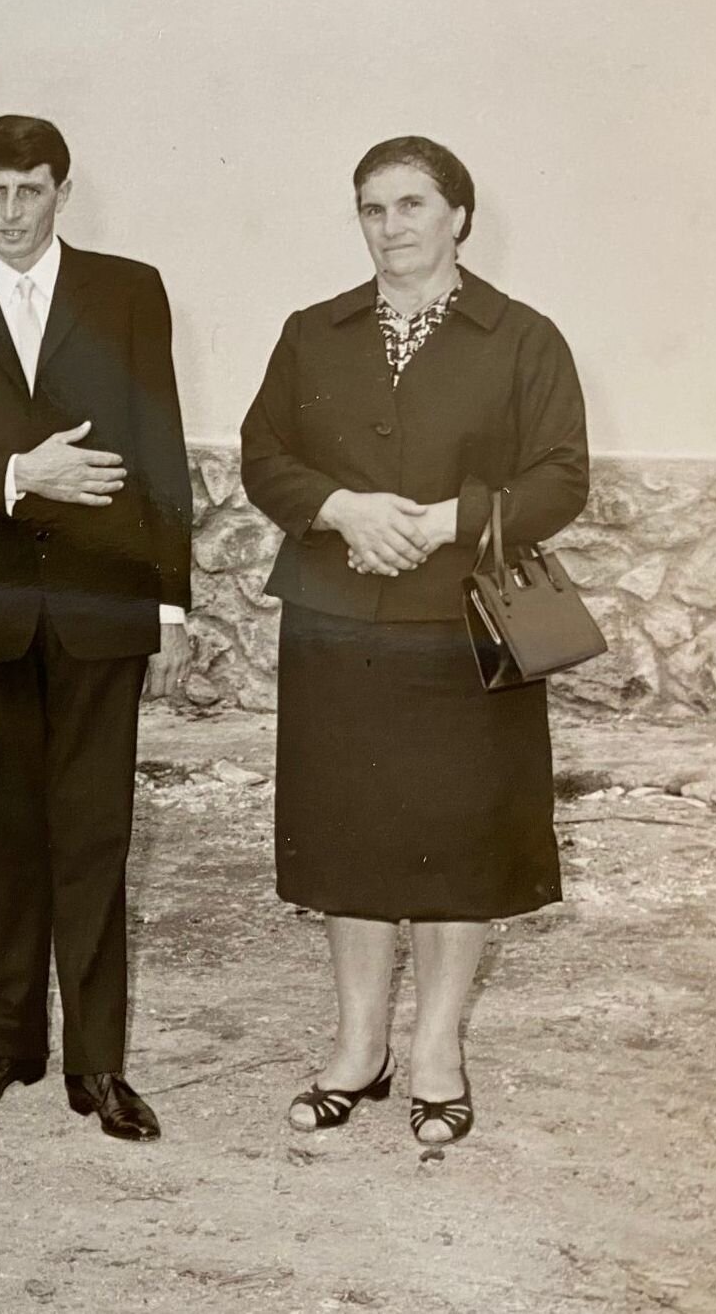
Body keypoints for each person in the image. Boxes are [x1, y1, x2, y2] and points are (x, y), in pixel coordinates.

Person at [240, 136, 589, 1145]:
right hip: (337, 624)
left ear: (459, 217)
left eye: (411, 205)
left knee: (456, 846)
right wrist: (342, 505)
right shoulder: (314, 332)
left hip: (466, 631)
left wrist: (445, 521)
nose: (391, 227)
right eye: (371, 209)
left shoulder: (523, 338)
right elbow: (265, 457)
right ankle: (359, 1047)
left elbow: (563, 477)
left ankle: (437, 1048)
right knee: (350, 837)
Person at [0, 115, 192, 1143]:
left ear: (62, 189)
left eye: (32, 191)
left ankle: (96, 1061)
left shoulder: (127, 290)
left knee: (97, 829)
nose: (13, 213)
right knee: (9, 831)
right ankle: (8, 1038)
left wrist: (171, 600)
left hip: (107, 602)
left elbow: (159, 449)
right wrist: (21, 475)